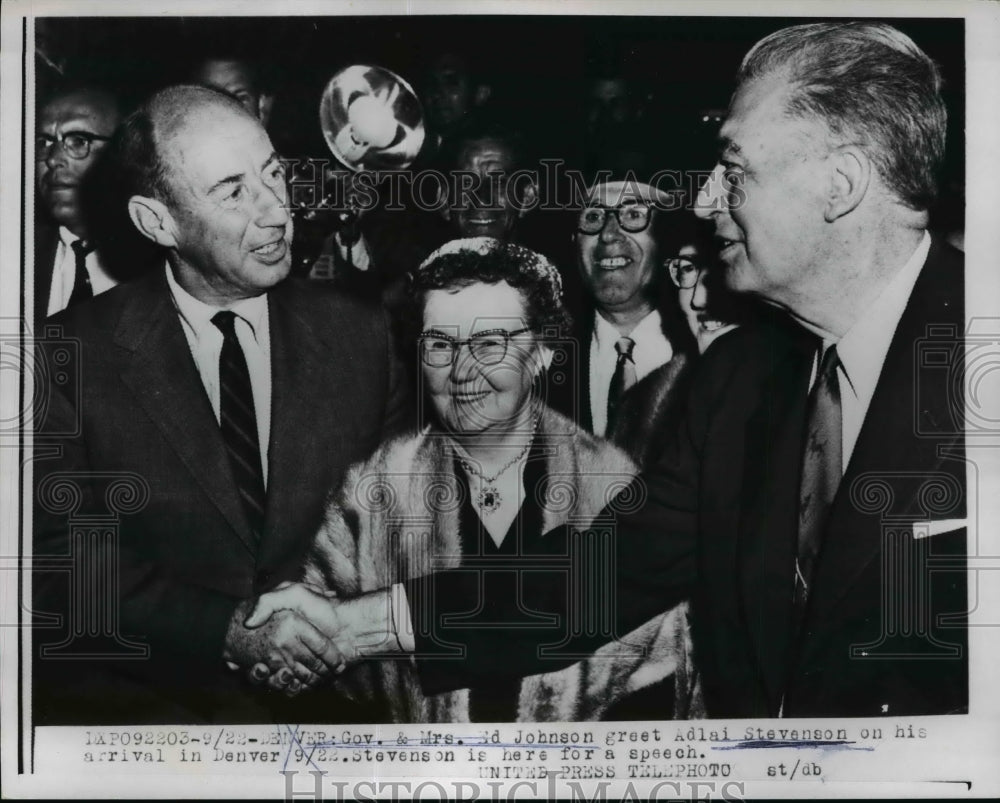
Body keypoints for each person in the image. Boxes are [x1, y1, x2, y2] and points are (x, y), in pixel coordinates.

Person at [252, 21, 966, 720]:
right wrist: (351, 627)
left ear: (840, 184)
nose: (703, 198)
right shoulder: (740, 381)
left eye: (735, 169)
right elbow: (597, 579)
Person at [31, 85, 410, 725]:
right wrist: (226, 631)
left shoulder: (364, 335)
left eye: (273, 174)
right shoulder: (67, 352)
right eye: (232, 192)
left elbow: (404, 528)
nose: (276, 212)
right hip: (159, 724)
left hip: (341, 718)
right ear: (158, 222)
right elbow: (59, 559)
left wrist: (336, 629)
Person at [247, 237, 702, 722]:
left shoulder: (615, 488)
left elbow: (659, 692)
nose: (462, 371)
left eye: (489, 344)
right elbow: (328, 697)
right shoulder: (373, 493)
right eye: (440, 344)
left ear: (543, 350)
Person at [34, 84, 123, 326]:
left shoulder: (163, 266)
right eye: (44, 142)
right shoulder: (17, 256)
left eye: (78, 141)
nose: (53, 160)